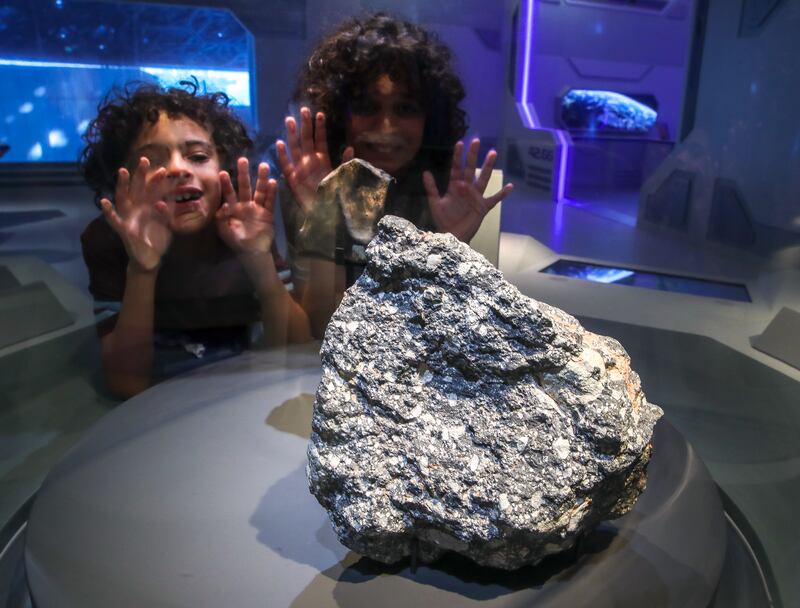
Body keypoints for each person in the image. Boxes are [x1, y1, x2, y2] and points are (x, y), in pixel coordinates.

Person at [275, 13, 514, 336]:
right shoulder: (315, 185)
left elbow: (441, 334)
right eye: (367, 107)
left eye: (405, 109)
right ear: (339, 115)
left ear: (429, 118)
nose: (386, 128)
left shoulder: (446, 196)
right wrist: (323, 219)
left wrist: (452, 244)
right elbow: (319, 328)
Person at [80, 80, 310, 398]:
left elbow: (298, 352)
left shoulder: (242, 226)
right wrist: (142, 269)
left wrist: (257, 259)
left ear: (223, 168)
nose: (177, 168)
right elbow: (127, 384)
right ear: (125, 180)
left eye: (198, 157)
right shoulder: (109, 239)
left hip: (240, 388)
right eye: (154, 161)